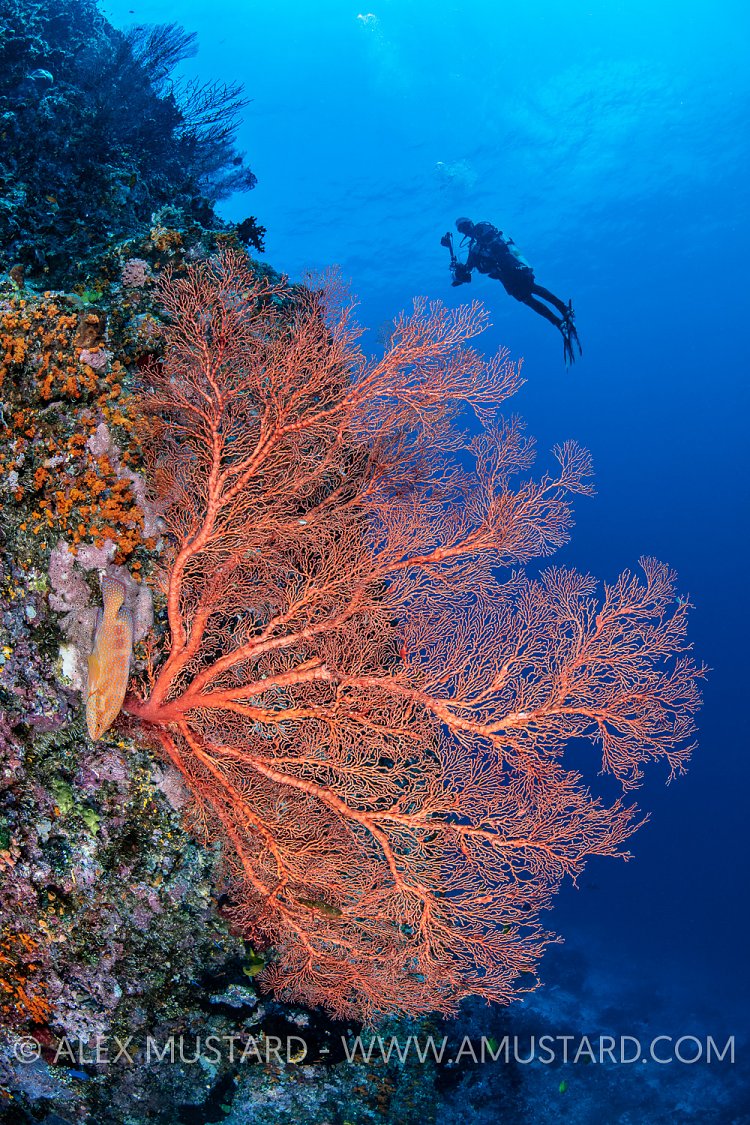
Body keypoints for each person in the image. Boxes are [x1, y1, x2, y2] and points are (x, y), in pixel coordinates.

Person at [441, 218, 582, 365]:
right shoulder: (473, 248)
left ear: (471, 223)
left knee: (533, 288)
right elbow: (468, 271)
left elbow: (496, 244)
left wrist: (479, 246)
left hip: (511, 265)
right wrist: (455, 262)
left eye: (465, 225)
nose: (465, 229)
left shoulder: (483, 228)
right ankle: (558, 323)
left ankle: (564, 309)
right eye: (461, 229)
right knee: (527, 299)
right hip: (503, 276)